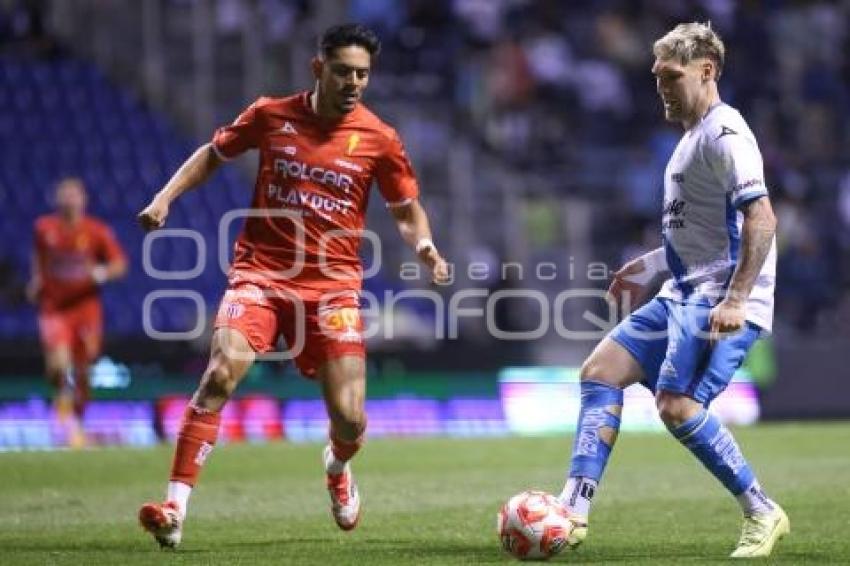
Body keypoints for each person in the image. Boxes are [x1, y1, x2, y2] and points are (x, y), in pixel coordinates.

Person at [136, 23, 449, 548]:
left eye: (363, 74)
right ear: (318, 68)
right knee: (218, 375)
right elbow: (214, 152)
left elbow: (406, 210)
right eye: (345, 71)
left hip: (333, 289)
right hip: (260, 273)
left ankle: (336, 465)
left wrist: (424, 246)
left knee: (349, 420)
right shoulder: (271, 114)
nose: (354, 82)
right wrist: (166, 198)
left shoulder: (379, 138)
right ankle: (175, 508)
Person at [557, 22, 788, 559]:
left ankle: (762, 510)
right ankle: (573, 507)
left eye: (671, 76)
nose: (660, 86)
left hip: (719, 300)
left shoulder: (725, 134)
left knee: (677, 407)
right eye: (656, 76)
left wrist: (735, 299)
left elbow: (762, 217)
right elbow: (705, 233)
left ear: (706, 72)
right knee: (599, 373)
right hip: (683, 292)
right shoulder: (690, 138)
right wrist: (651, 262)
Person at [29, 177, 127, 446]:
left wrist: (102, 272)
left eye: (74, 195)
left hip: (86, 309)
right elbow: (38, 258)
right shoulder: (44, 229)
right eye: (65, 195)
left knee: (84, 368)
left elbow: (120, 264)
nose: (70, 201)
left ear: (83, 200)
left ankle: (78, 421)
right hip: (55, 308)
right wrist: (36, 279)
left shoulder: (96, 231)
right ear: (57, 199)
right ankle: (61, 398)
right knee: (59, 365)